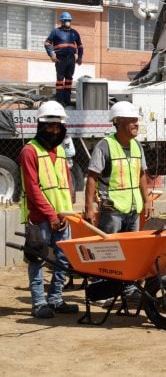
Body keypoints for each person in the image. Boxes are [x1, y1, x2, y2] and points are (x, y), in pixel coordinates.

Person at [19, 101, 79, 318]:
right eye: (50, 125)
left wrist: (66, 211)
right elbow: (33, 188)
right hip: (40, 218)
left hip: (62, 216)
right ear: (41, 125)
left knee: (63, 259)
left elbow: (66, 183)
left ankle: (55, 299)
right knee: (37, 259)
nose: (54, 130)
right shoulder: (29, 151)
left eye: (58, 126)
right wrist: (51, 214)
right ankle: (38, 303)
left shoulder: (61, 152)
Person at [85, 101, 151, 233]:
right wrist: (89, 208)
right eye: (131, 120)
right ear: (119, 122)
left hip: (134, 210)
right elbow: (92, 177)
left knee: (130, 250)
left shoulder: (137, 146)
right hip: (112, 212)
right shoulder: (104, 146)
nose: (136, 124)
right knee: (111, 251)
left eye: (136, 120)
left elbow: (141, 175)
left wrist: (147, 201)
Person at [45, 12, 83, 107]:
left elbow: (80, 45)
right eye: (66, 20)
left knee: (69, 80)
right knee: (60, 80)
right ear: (62, 22)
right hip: (60, 58)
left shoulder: (74, 33)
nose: (67, 22)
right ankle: (60, 100)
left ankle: (67, 100)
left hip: (71, 58)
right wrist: (52, 55)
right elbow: (47, 43)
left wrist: (80, 57)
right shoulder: (56, 32)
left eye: (69, 20)